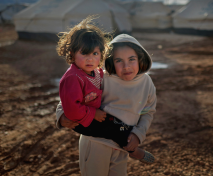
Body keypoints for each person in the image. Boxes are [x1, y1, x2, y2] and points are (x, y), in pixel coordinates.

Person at [56, 17, 156, 175]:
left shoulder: (147, 83)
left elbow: (148, 111)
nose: (126, 66)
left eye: (132, 59)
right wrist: (61, 115)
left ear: (140, 58)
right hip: (96, 142)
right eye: (118, 60)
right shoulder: (102, 76)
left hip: (123, 145)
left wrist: (138, 135)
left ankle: (135, 150)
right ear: (110, 60)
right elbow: (70, 96)